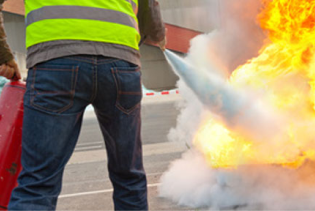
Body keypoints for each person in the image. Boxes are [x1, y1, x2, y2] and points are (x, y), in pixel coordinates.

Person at [0, 0, 166, 210]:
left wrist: (3, 54)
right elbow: (149, 8)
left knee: (38, 183)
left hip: (55, 59)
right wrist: (157, 33)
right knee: (129, 178)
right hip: (120, 62)